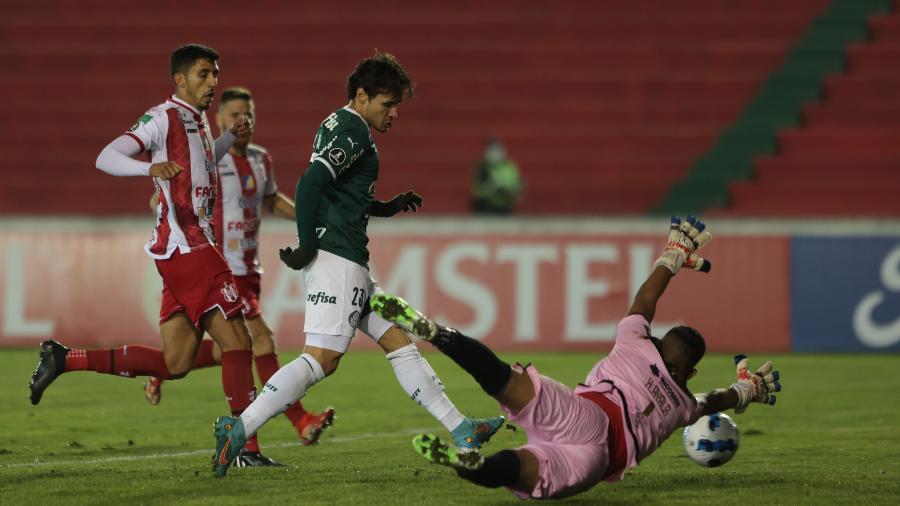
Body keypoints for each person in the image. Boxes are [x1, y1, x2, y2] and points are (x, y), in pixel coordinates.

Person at [210, 52, 505, 477]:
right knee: (322, 360)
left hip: (351, 261)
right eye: (387, 104)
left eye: (397, 105)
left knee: (398, 341)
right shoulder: (352, 129)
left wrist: (387, 206)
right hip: (338, 259)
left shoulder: (342, 125)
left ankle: (462, 429)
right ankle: (239, 430)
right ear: (362, 96)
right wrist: (308, 244)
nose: (394, 114)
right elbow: (311, 182)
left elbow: (341, 194)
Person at [369, 216, 783, 500]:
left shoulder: (635, 341)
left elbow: (646, 298)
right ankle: (472, 465)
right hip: (598, 457)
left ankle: (437, 333)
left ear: (657, 340)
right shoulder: (683, 406)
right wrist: (747, 389)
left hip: (583, 411)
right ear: (689, 372)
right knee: (524, 470)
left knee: (502, 378)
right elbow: (717, 400)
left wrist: (672, 255)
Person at [28, 44, 261, 462]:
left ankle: (65, 359)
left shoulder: (198, 120)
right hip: (189, 245)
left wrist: (227, 138)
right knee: (238, 340)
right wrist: (146, 168)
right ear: (180, 79)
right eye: (204, 74)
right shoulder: (163, 117)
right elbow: (106, 156)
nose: (213, 82)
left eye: (216, 74)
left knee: (176, 362)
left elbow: (200, 165)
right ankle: (244, 447)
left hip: (181, 250)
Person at [143, 87, 336, 454]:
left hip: (249, 270)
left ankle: (162, 369)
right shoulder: (207, 161)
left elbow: (270, 200)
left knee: (227, 350)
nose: (241, 121)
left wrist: (310, 218)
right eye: (233, 115)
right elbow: (160, 198)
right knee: (261, 340)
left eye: (246, 114)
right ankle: (298, 421)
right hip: (219, 268)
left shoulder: (262, 160)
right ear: (217, 121)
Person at [470, 137, 522, 215]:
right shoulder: (483, 167)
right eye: (490, 149)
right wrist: (490, 186)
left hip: (506, 208)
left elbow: (518, 190)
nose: (493, 152)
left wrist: (505, 188)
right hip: (486, 208)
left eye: (496, 149)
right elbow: (477, 190)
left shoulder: (510, 167)